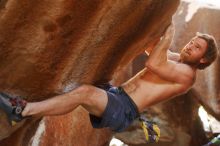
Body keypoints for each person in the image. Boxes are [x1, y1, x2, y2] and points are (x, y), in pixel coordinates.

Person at [0, 27, 218, 139]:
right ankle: (33, 111)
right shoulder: (176, 59)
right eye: (191, 42)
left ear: (203, 59)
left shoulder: (187, 76)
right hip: (117, 94)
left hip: (125, 109)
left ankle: (24, 111)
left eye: (196, 47)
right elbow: (152, 50)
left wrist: (169, 32)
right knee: (81, 88)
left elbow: (152, 63)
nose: (189, 46)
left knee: (84, 92)